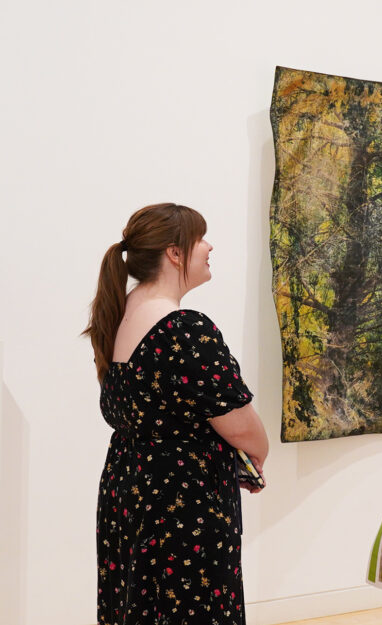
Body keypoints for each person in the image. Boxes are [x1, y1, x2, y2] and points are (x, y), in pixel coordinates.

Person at [83, 203, 269, 625]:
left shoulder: (121, 311)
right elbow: (240, 423)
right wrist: (258, 450)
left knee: (139, 606)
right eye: (200, 238)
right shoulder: (184, 327)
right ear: (174, 253)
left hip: (128, 488)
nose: (209, 246)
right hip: (181, 501)